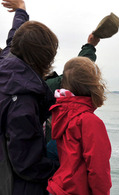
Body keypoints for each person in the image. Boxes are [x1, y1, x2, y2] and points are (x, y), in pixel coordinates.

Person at [0, 0, 59, 194]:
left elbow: (14, 37)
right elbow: (27, 164)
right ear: (45, 58)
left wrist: (21, 12)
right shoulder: (23, 101)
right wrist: (60, 167)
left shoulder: (7, 60)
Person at [47, 57, 112, 195]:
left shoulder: (61, 113)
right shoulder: (89, 121)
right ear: (93, 85)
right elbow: (99, 170)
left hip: (57, 187)